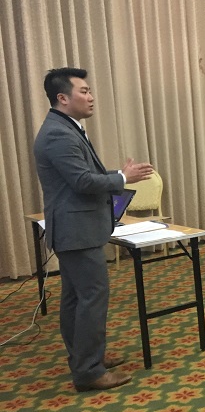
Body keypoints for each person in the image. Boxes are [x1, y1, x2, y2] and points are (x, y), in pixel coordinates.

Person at [33, 67, 154, 392]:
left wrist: (117, 173)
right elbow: (83, 182)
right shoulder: (58, 134)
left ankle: (85, 358)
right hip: (77, 230)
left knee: (76, 298)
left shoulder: (65, 127)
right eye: (84, 91)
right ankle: (88, 371)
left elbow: (83, 175)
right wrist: (123, 178)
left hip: (76, 228)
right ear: (63, 98)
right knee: (91, 297)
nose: (91, 97)